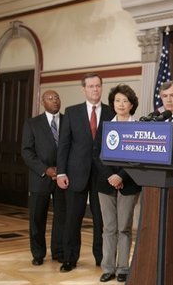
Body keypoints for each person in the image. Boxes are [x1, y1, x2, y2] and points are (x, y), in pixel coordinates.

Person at [56, 72, 114, 272]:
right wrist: (61, 173)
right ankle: (69, 259)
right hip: (75, 173)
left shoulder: (110, 112)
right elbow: (63, 145)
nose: (95, 89)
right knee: (73, 218)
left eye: (98, 85)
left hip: (102, 174)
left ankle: (101, 258)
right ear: (84, 89)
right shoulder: (72, 112)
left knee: (101, 219)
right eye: (91, 86)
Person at [94, 84, 141, 283]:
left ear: (132, 105)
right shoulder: (105, 126)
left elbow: (138, 156)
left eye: (125, 101)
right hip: (105, 184)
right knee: (109, 228)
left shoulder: (138, 126)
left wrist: (121, 176)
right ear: (112, 104)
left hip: (128, 183)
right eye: (117, 101)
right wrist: (111, 177)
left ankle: (123, 268)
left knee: (124, 227)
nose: (121, 104)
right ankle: (108, 268)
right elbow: (97, 155)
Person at [21, 90, 66, 266]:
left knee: (61, 216)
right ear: (42, 102)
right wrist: (45, 169)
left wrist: (61, 170)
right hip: (40, 177)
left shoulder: (67, 120)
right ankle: (38, 253)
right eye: (50, 98)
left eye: (57, 97)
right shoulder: (32, 123)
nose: (55, 101)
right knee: (37, 218)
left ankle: (59, 251)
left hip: (62, 177)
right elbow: (26, 151)